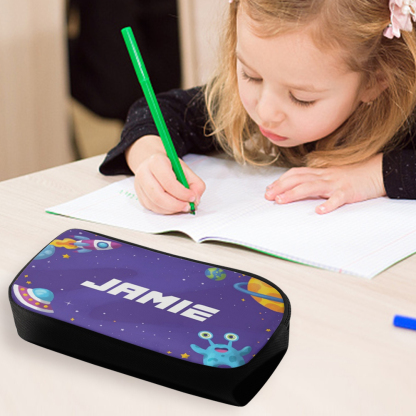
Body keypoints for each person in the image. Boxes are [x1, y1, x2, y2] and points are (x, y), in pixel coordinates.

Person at [100, 0, 416, 215]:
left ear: (375, 81)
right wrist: (149, 156)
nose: (265, 111)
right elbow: (160, 111)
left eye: (301, 97)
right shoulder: (244, 103)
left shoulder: (406, 116)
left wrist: (374, 175)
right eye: (251, 75)